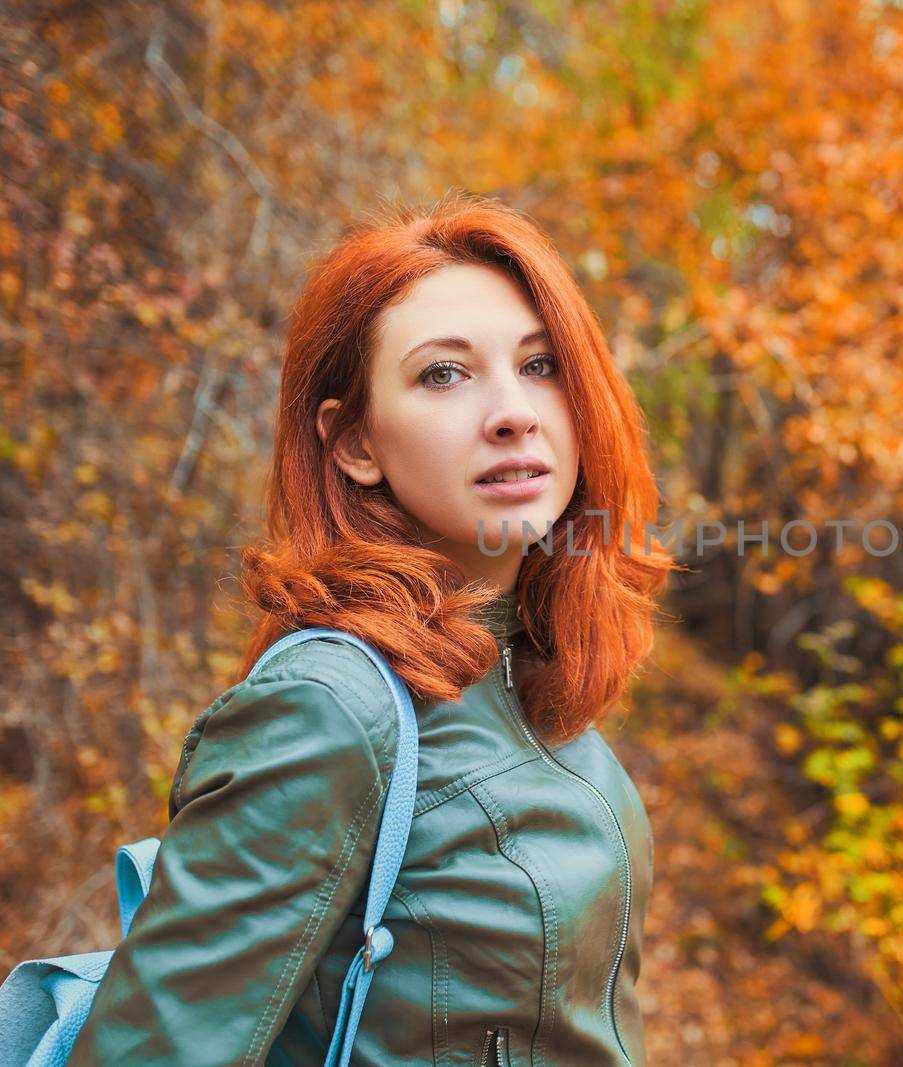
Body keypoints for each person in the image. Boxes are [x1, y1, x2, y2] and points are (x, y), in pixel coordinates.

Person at [68, 191, 678, 1066]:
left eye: (540, 366)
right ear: (354, 444)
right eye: (444, 373)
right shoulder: (329, 708)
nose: (514, 411)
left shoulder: (529, 670)